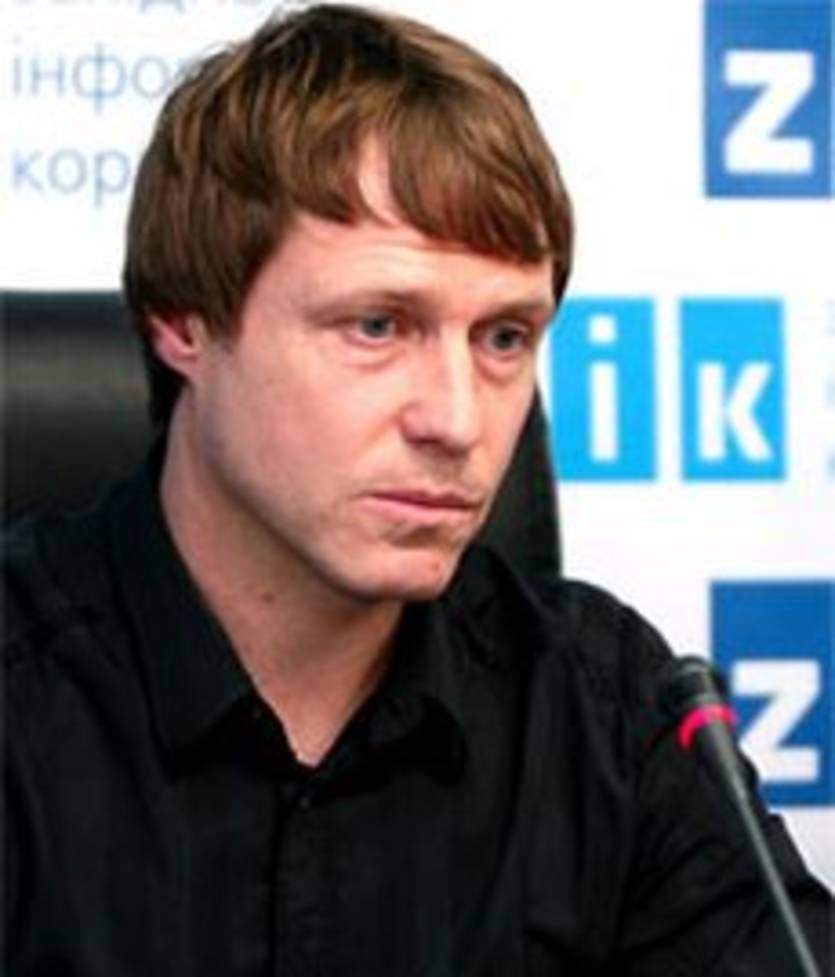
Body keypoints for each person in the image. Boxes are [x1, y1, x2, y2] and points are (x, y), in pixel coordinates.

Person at [3, 4, 832, 974]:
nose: (458, 418)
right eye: (377, 326)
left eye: (504, 338)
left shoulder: (607, 712)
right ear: (184, 322)